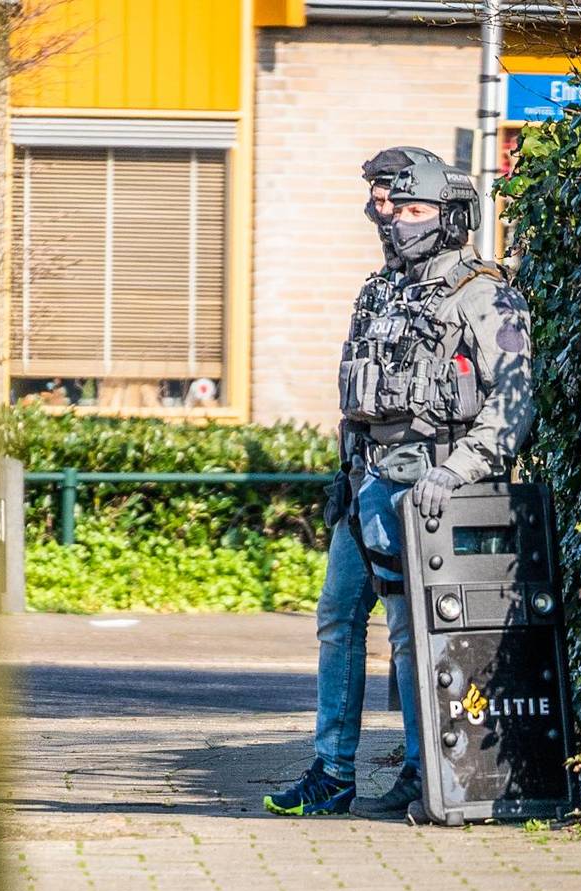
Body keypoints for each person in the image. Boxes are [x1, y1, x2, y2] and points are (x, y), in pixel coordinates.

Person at [344, 158, 536, 820]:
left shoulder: (487, 296)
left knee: (421, 636)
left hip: (435, 492)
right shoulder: (389, 291)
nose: (398, 222)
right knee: (354, 625)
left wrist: (457, 471)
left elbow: (514, 402)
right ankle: (367, 769)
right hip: (369, 482)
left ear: (454, 218)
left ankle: (443, 776)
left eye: (416, 211)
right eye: (395, 211)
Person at [263, 146, 441, 818]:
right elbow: (357, 394)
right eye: (375, 197)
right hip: (363, 483)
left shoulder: (457, 288)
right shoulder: (378, 288)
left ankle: (427, 772)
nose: (379, 209)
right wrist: (345, 474)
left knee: (404, 631)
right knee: (337, 619)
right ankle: (333, 771)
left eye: (390, 197)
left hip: (413, 486)